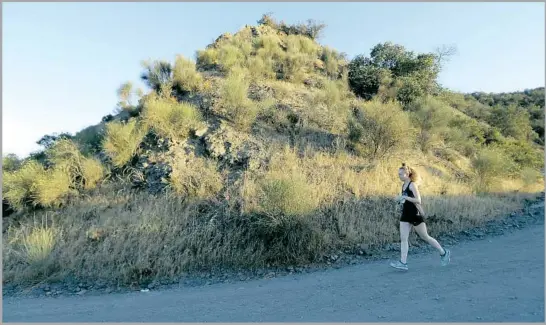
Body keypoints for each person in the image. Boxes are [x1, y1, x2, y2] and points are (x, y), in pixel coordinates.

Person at [389, 163, 450, 270]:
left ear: (407, 174)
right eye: (398, 174)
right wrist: (401, 200)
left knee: (425, 237)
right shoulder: (403, 185)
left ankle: (443, 253)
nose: (399, 176)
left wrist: (404, 197)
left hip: (415, 214)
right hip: (405, 214)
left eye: (401, 174)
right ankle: (403, 263)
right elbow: (407, 198)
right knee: (403, 239)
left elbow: (418, 200)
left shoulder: (412, 185)